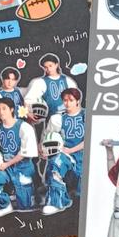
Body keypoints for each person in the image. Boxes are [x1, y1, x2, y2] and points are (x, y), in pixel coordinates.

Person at [0, 96, 38, 217]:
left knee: (25, 207)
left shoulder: (24, 127)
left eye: (4, 108)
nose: (1, 112)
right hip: (5, 167)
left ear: (12, 109)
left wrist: (7, 164)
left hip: (22, 167)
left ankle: (29, 194)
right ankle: (5, 205)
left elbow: (25, 153)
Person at [41, 87, 85, 215]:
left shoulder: (86, 115)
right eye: (65, 100)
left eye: (71, 100)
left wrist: (72, 149)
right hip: (66, 156)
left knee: (80, 193)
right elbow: (47, 137)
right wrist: (44, 150)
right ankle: (56, 202)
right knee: (56, 163)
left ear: (77, 101)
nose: (67, 103)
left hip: (84, 156)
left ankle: (68, 190)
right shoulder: (58, 118)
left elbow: (90, 139)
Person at [24, 54, 79, 121]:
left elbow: (76, 99)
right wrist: (27, 113)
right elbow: (28, 99)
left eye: (50, 66)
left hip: (70, 116)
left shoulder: (68, 80)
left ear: (56, 65)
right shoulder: (41, 82)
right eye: (45, 67)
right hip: (53, 118)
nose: (49, 69)